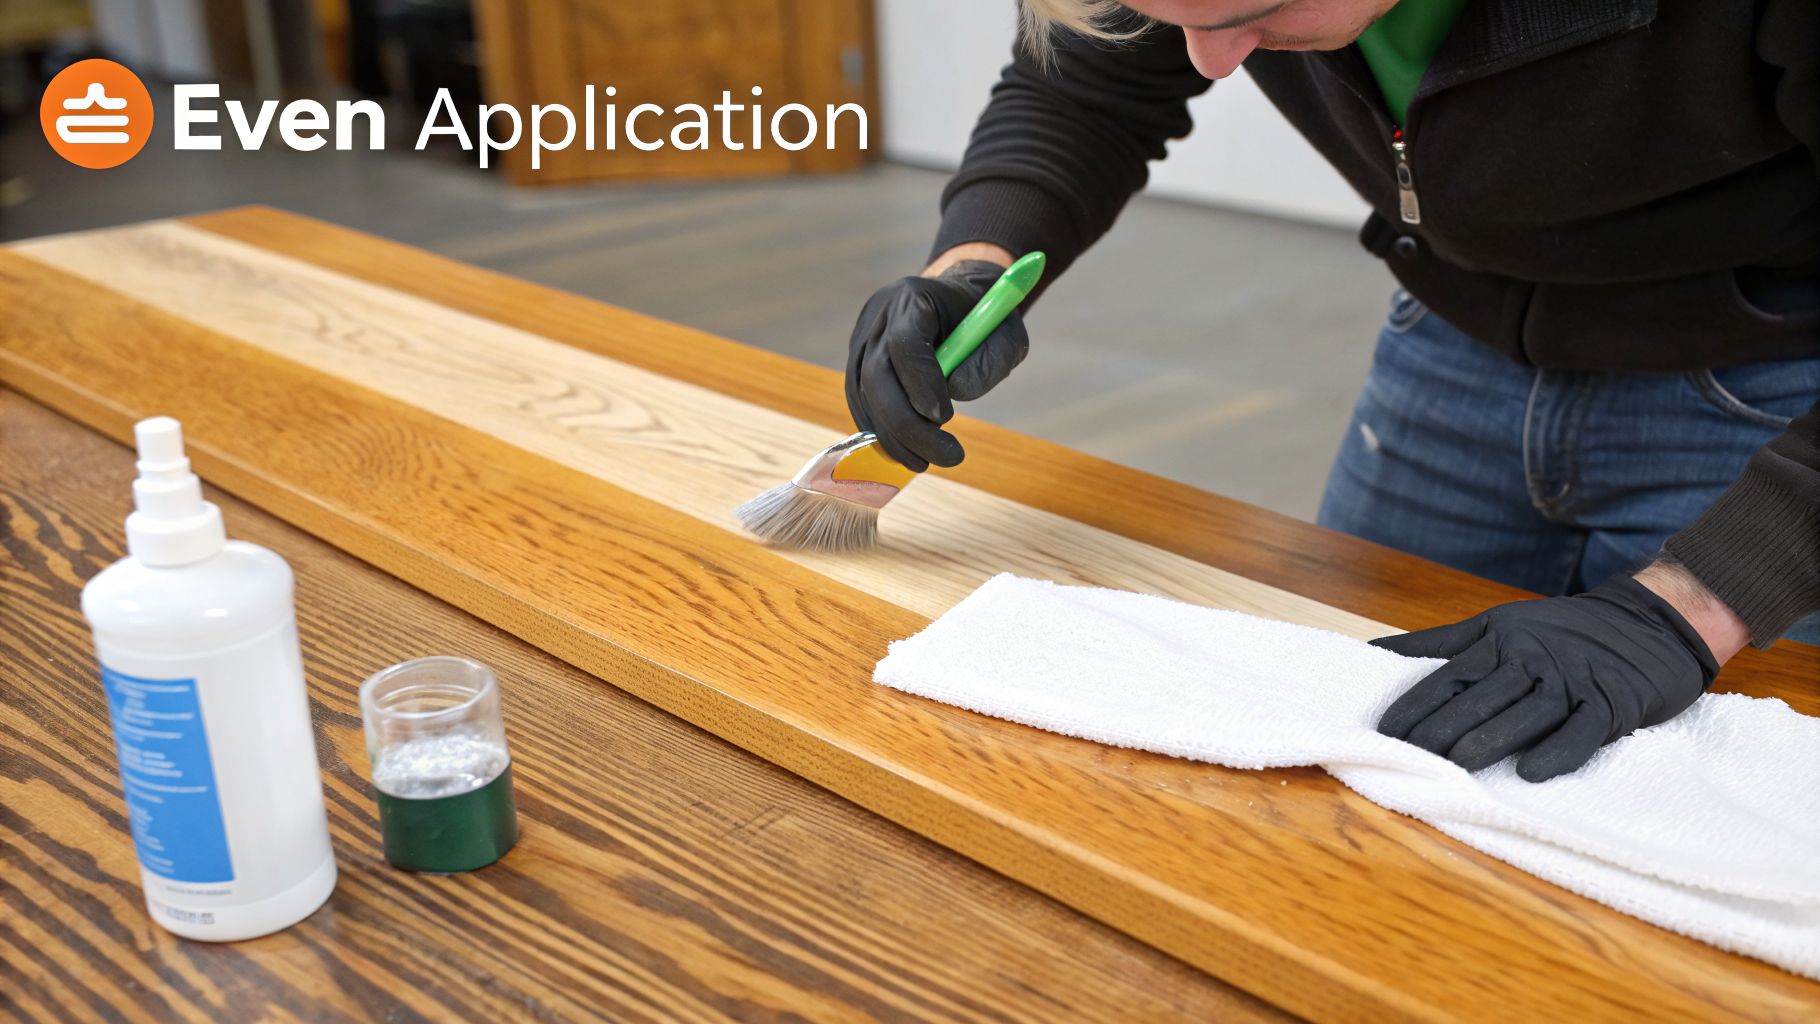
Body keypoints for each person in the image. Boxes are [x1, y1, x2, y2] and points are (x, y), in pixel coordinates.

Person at [842, 0, 1820, 782]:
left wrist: (1694, 604)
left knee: (1717, 789)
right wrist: (971, 263)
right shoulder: (1207, 19)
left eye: (1254, 10)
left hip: (1775, 381)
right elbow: (1087, 91)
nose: (1212, 59)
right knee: (1335, 736)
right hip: (1449, 337)